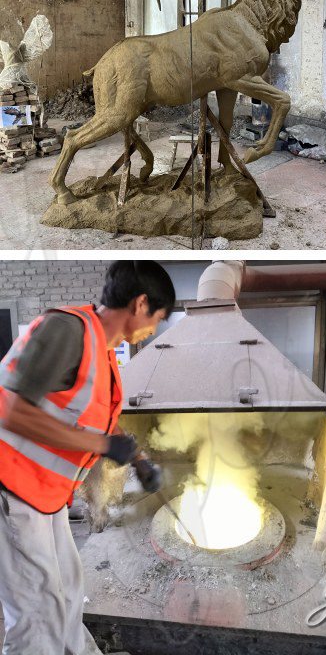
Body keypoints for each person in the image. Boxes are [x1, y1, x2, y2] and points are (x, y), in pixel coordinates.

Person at [0, 261, 175, 654]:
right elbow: (11, 412)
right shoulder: (65, 330)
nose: (156, 329)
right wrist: (102, 447)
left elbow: (89, 418)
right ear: (141, 303)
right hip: (11, 492)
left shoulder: (103, 350)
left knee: (68, 591)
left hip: (44, 498)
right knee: (36, 614)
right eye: (159, 318)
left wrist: (138, 458)